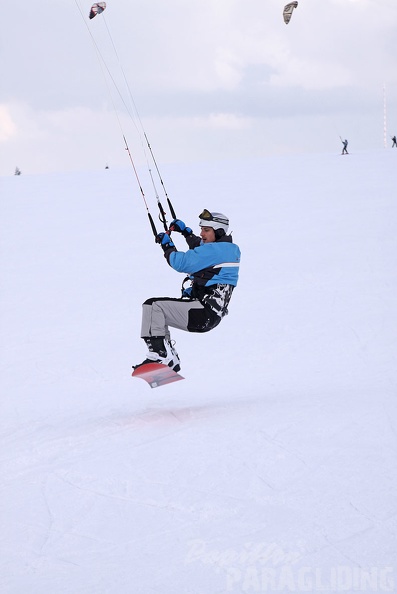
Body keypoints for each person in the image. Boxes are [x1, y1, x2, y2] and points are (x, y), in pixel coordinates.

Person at [133, 209, 241, 372]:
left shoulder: (216, 251)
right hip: (207, 314)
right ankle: (166, 356)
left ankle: (162, 355)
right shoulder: (228, 249)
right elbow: (201, 248)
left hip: (203, 313)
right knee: (152, 309)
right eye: (201, 229)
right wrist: (185, 232)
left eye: (206, 230)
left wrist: (167, 244)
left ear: (218, 232)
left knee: (154, 306)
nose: (202, 233)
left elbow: (181, 263)